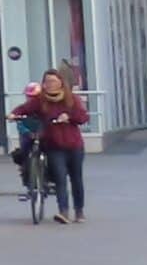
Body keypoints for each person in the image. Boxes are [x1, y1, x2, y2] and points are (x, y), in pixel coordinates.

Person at [15, 70, 91, 224]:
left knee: (76, 178)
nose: (50, 85)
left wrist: (69, 117)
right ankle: (63, 212)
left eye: (54, 81)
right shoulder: (40, 100)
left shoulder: (71, 99)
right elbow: (25, 109)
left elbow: (83, 117)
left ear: (61, 82)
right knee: (60, 178)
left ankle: (79, 211)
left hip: (73, 145)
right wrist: (13, 114)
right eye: (47, 82)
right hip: (53, 145)